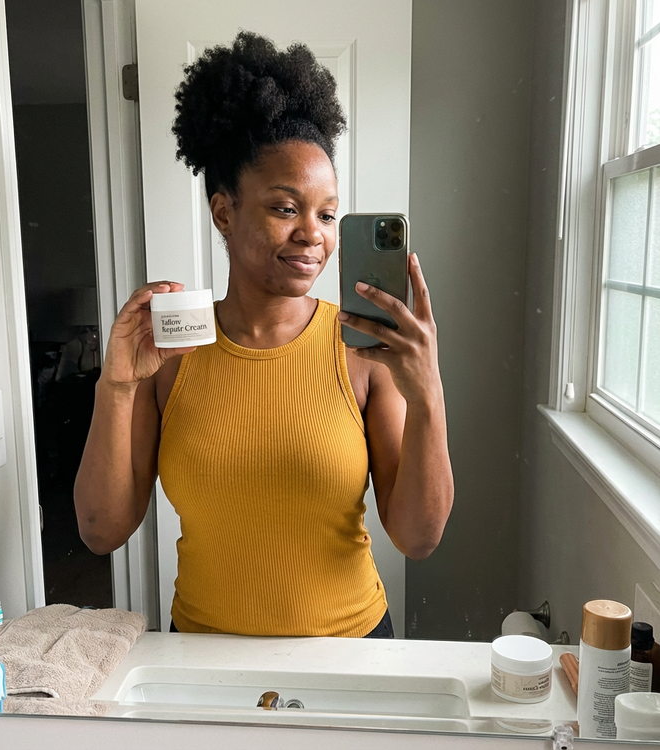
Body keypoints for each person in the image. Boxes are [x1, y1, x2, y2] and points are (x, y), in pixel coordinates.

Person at [74, 31, 453, 638]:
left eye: (326, 214)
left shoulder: (364, 352)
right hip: (202, 658)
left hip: (350, 648)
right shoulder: (170, 356)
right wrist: (116, 387)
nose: (314, 234)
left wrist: (428, 394)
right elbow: (101, 530)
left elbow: (419, 538)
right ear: (224, 212)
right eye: (285, 208)